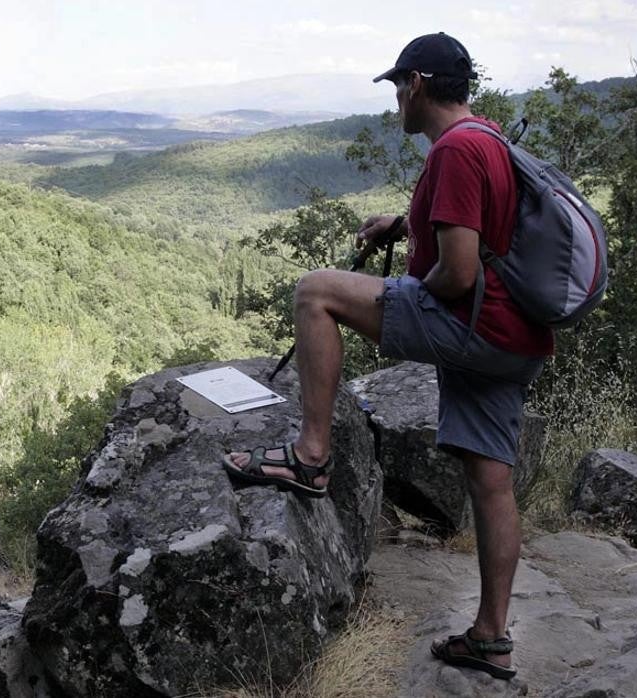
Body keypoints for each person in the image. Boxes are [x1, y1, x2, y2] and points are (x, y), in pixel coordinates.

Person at [221, 32, 552, 681]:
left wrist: (401, 294)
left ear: (419, 83)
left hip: (471, 321)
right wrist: (403, 227)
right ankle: (490, 637)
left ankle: (311, 458)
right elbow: (470, 228)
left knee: (316, 292)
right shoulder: (485, 138)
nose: (396, 99)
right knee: (490, 480)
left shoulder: (454, 150)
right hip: (515, 338)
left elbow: (456, 274)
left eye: (398, 86)